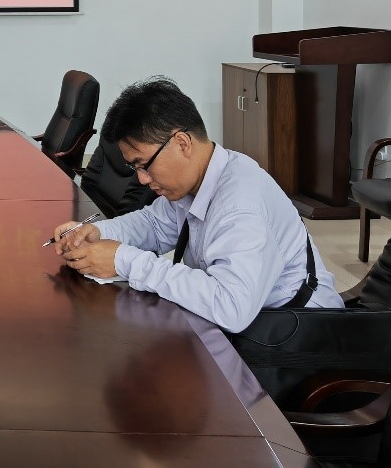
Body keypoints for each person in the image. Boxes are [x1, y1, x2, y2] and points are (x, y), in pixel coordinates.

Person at [52, 77, 343, 333]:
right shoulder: (202, 177)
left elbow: (231, 308)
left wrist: (126, 260)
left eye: (144, 165)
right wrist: (98, 233)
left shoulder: (239, 206)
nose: (142, 179)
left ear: (182, 143)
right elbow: (155, 224)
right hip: (258, 322)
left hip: (297, 336)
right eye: (134, 168)